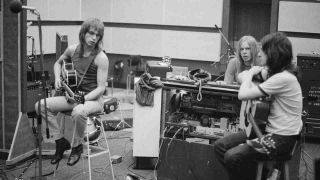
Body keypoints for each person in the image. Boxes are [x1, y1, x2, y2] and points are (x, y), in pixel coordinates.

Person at [214, 32, 302, 180]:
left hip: (281, 139)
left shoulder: (283, 78)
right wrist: (250, 74)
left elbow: (243, 94)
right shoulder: (275, 73)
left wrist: (249, 75)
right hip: (266, 130)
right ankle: (260, 176)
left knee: (232, 156)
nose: (260, 54)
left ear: (274, 53)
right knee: (220, 146)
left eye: (264, 50)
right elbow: (244, 76)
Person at [35, 18, 109, 166]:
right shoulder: (72, 50)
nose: (94, 38)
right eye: (92, 33)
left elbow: (101, 88)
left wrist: (84, 98)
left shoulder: (101, 58)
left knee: (78, 111)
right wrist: (57, 78)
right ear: (83, 33)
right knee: (40, 105)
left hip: (93, 101)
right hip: (72, 98)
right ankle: (60, 141)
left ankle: (76, 146)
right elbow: (58, 63)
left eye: (98, 35)